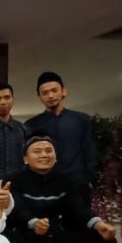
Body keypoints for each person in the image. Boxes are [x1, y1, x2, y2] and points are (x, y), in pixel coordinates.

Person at [25, 72, 95, 202]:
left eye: (54, 90)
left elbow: (89, 150)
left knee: (81, 214)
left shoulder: (81, 119)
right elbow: (29, 157)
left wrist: (89, 180)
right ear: (39, 97)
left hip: (78, 182)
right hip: (45, 185)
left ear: (64, 91)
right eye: (45, 93)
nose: (50, 96)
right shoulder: (31, 125)